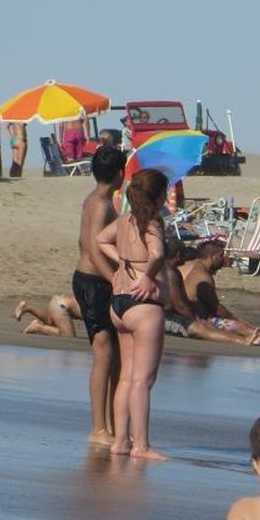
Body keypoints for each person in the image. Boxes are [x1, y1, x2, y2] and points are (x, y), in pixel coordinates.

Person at [95, 169, 169, 461]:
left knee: (126, 377)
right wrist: (148, 275)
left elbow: (102, 240)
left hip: (119, 304)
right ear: (159, 195)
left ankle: (121, 441)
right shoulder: (151, 222)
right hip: (143, 307)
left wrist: (123, 262)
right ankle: (141, 445)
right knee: (143, 380)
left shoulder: (124, 221)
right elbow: (159, 253)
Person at [74, 146, 126, 445]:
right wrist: (115, 279)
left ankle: (112, 425)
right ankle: (98, 429)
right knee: (103, 353)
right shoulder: (99, 204)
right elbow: (93, 248)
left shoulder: (100, 200)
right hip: (92, 282)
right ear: (119, 174)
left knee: (113, 355)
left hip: (96, 281)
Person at [179, 241, 260, 346]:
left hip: (179, 315)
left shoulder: (185, 266)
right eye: (221, 255)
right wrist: (243, 322)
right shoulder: (203, 276)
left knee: (236, 324)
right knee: (236, 325)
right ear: (212, 257)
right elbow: (217, 310)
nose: (224, 259)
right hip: (195, 319)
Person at [14, 293, 82, 337]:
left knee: (50, 321)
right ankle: (37, 328)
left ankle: (27, 308)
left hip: (59, 300)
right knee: (68, 335)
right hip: (61, 306)